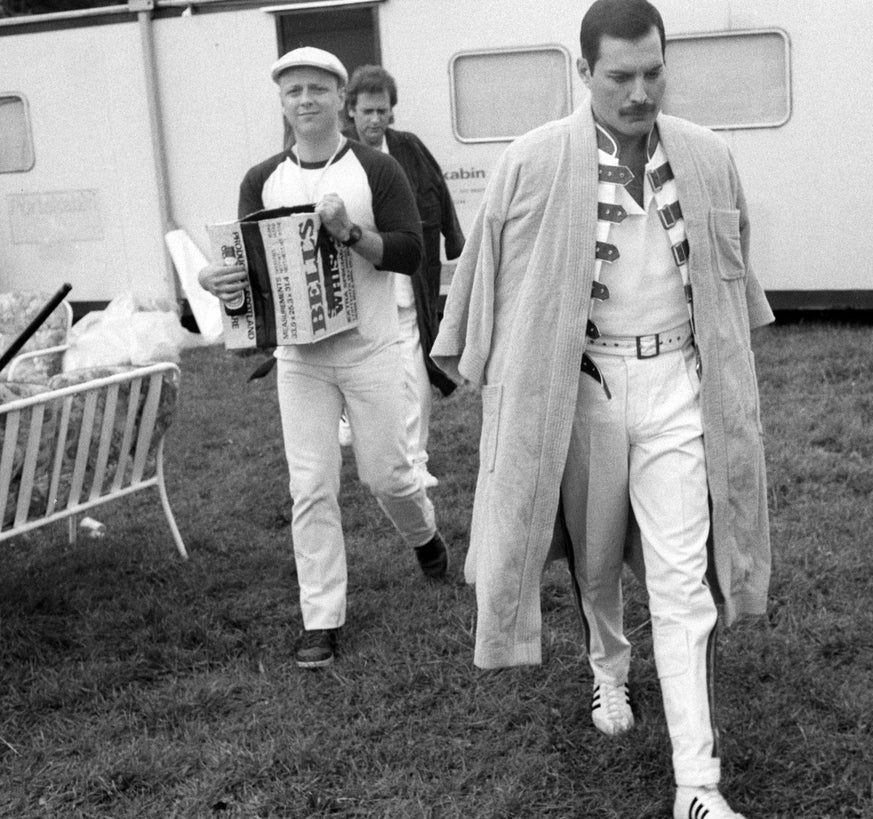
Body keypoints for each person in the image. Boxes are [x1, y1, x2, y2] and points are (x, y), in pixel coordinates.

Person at [431, 2, 772, 817]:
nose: (640, 90)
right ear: (584, 73)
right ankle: (607, 669)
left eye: (654, 71)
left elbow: (733, 273)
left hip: (680, 386)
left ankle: (698, 783)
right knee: (596, 555)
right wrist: (487, 365)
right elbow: (491, 274)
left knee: (686, 581)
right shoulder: (534, 159)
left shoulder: (709, 154)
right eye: (620, 75)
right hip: (583, 390)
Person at [199, 46, 449, 671]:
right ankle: (322, 618)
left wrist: (350, 234)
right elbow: (255, 274)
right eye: (292, 92)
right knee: (310, 486)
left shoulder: (376, 170)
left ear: (341, 98)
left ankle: (424, 537)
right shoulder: (262, 179)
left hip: (371, 350)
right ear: (281, 104)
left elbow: (412, 253)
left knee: (386, 475)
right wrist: (218, 280)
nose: (305, 100)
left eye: (316, 89)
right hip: (301, 359)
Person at [342, 65, 465, 489]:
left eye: (383, 111)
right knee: (354, 367)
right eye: (367, 111)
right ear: (351, 112)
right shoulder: (337, 155)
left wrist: (454, 239)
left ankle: (415, 458)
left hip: (407, 280)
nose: (375, 120)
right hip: (356, 288)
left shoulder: (409, 148)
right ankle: (349, 421)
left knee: (414, 368)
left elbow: (439, 192)